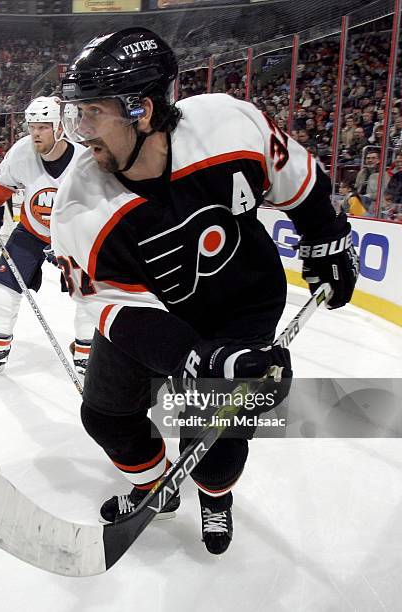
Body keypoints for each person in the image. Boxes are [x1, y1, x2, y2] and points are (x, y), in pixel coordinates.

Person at [51, 28, 359, 555]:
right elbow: (117, 311)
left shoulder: (226, 125)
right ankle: (154, 488)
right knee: (104, 414)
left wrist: (327, 239)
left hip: (244, 306)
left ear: (141, 110)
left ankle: (215, 497)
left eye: (92, 113)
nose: (80, 131)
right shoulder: (80, 203)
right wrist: (195, 356)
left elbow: (301, 182)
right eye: (75, 113)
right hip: (153, 318)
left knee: (216, 442)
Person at [0, 96, 93, 380]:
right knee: (3, 293)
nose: (36, 133)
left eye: (43, 126)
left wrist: (65, 241)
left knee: (87, 296)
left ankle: (86, 353)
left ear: (59, 127)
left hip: (73, 236)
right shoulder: (21, 152)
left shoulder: (83, 161)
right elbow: (3, 187)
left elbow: (95, 208)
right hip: (30, 232)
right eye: (32, 126)